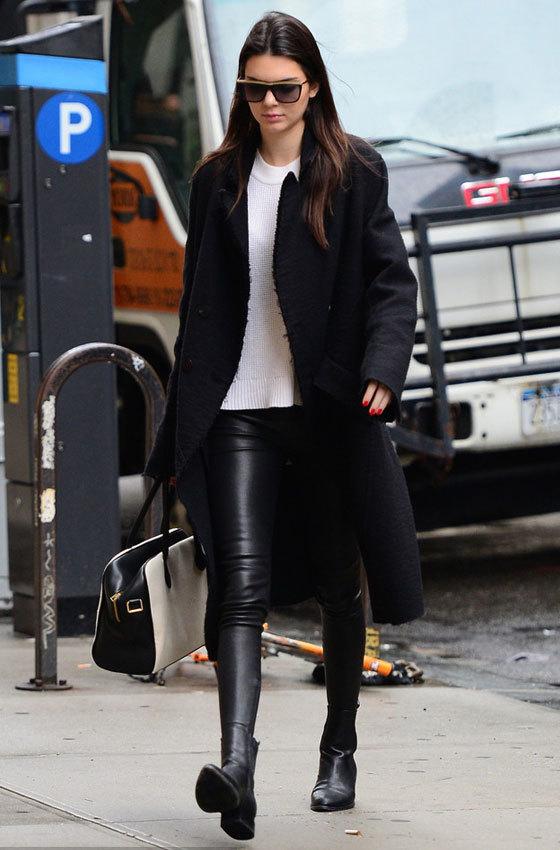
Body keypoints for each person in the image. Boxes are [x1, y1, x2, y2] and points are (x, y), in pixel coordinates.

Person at [144, 9, 424, 842]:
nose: (271, 104)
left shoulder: (353, 170)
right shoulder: (217, 179)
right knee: (241, 585)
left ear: (313, 89)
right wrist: (178, 426)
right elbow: (198, 302)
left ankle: (340, 748)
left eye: (286, 90)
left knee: (340, 584)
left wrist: (381, 368)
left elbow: (391, 283)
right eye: (256, 90)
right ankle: (237, 766)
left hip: (325, 407)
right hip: (237, 408)